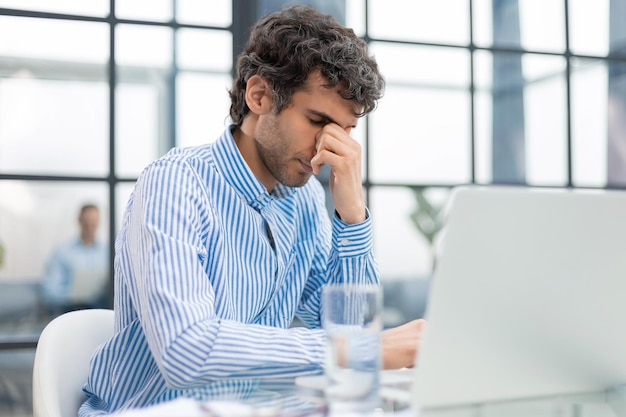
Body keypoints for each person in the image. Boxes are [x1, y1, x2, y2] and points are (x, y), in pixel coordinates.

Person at [80, 5, 425, 416]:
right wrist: (363, 349)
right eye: (317, 120)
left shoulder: (307, 202)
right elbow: (187, 351)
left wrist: (351, 215)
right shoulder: (175, 183)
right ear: (259, 95)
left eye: (345, 130)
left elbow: (346, 340)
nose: (329, 146)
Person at [40, 203, 109, 315]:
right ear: (79, 220)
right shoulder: (62, 252)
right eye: (87, 222)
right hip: (71, 311)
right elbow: (49, 293)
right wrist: (75, 296)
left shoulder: (107, 251)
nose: (90, 226)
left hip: (102, 310)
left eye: (94, 222)